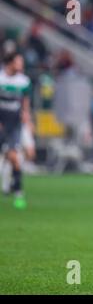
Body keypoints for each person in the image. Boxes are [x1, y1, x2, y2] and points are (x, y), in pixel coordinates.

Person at [0, 52, 33, 209]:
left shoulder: (24, 81)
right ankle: (6, 181)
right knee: (7, 156)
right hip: (1, 123)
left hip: (14, 124)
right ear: (10, 63)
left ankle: (18, 192)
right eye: (19, 62)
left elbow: (25, 99)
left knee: (14, 156)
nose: (21, 64)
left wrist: (26, 114)